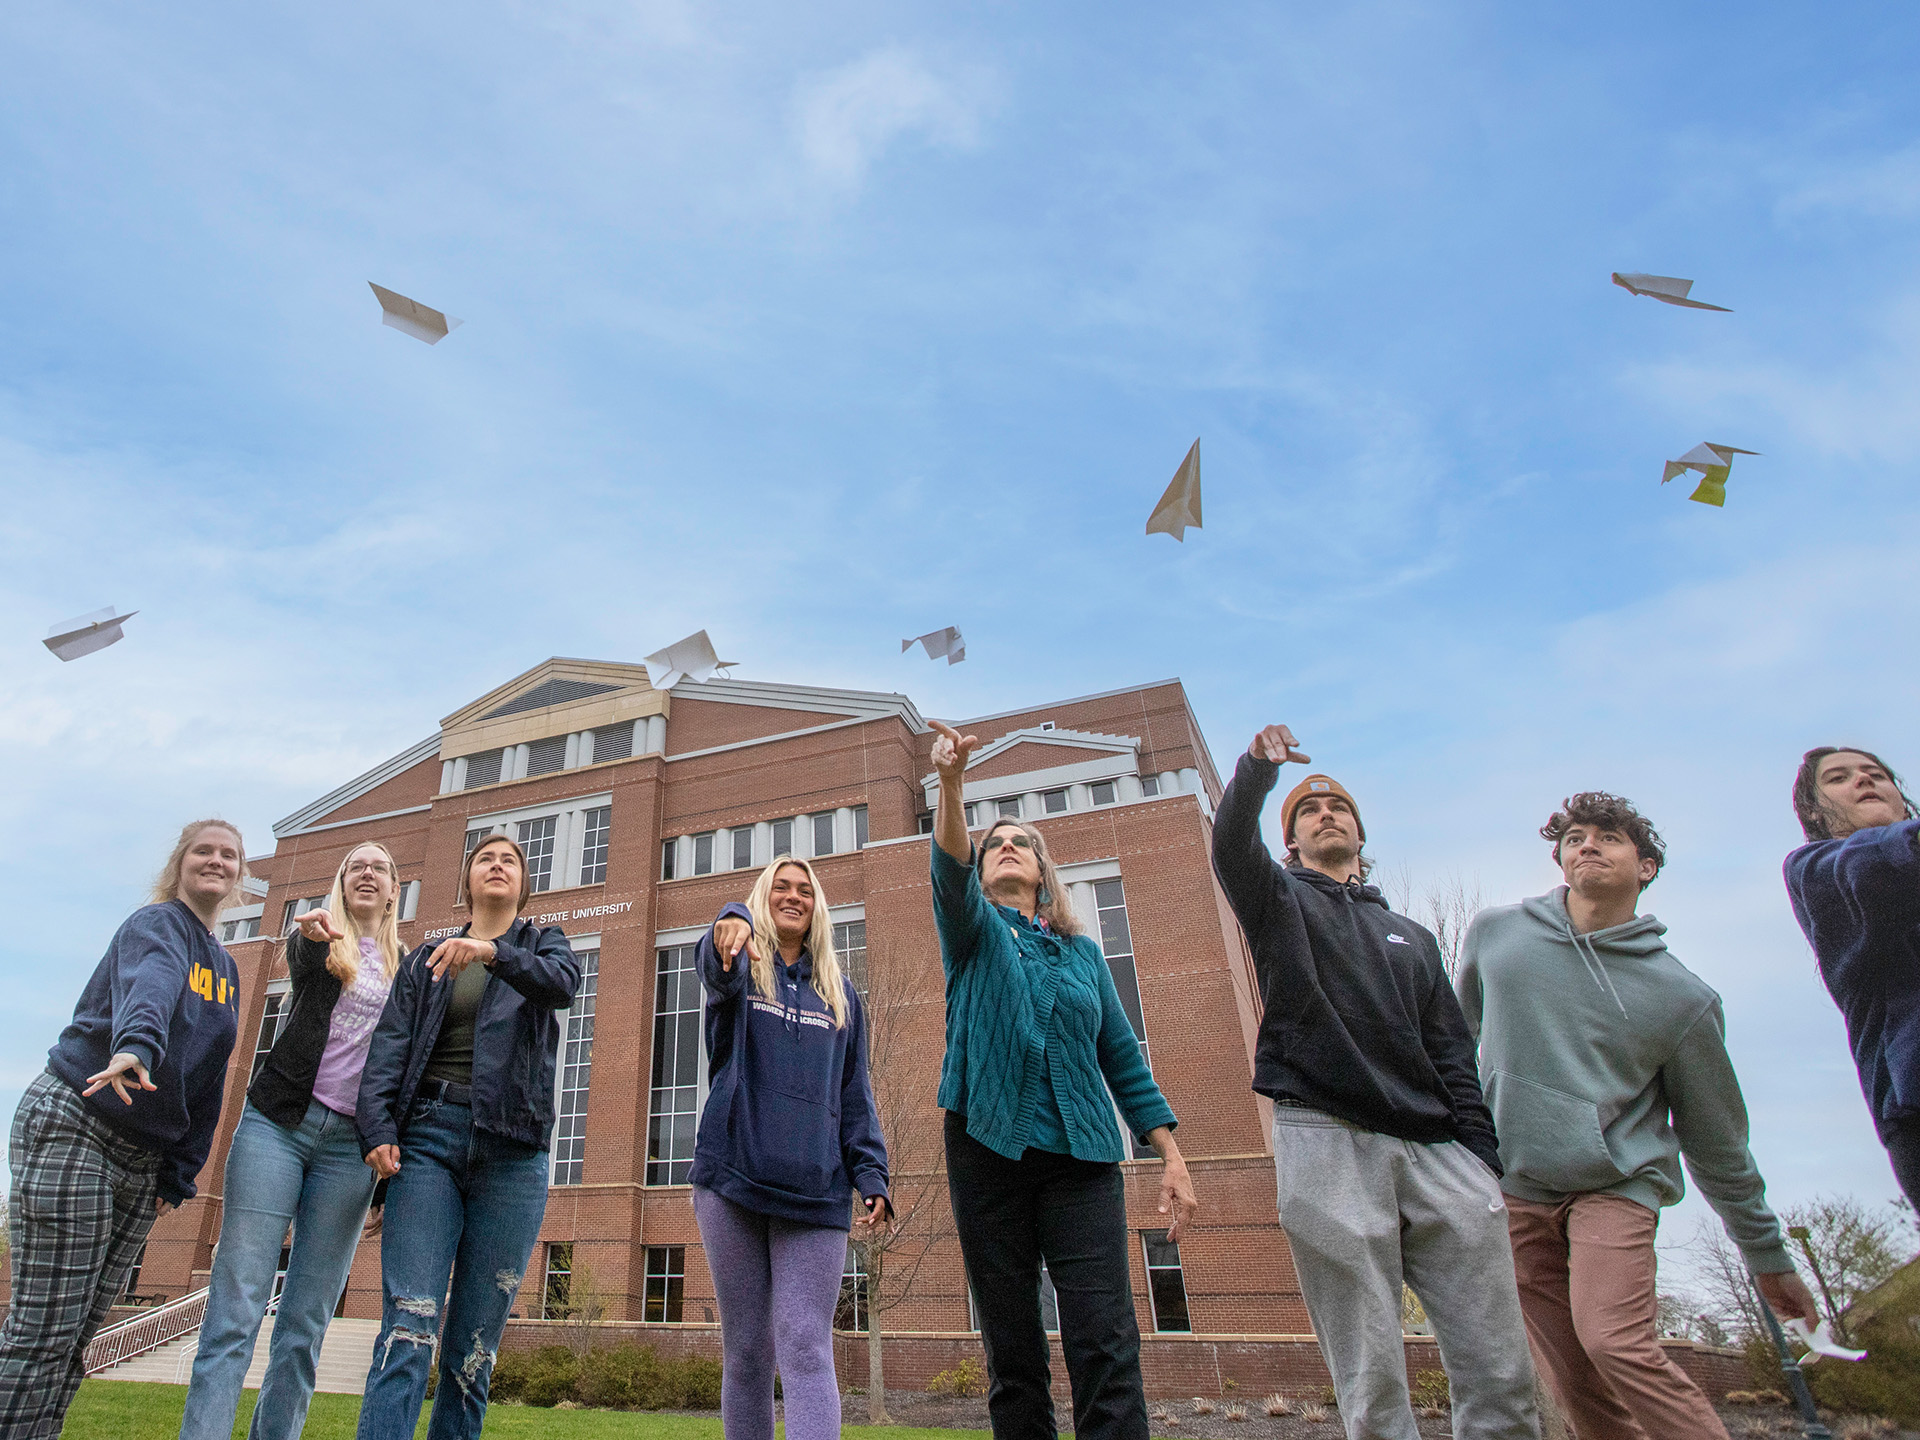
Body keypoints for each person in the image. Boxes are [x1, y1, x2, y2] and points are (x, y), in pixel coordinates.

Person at [1458, 791, 1820, 1440]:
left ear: (1646, 865)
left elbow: (1716, 1142)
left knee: (1613, 1341)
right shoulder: (1497, 935)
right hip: (1514, 1185)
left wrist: (1766, 1253)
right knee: (1573, 1379)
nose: (1587, 845)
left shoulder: (1681, 998)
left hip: (1616, 1184)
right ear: (1558, 858)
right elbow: (1451, 1041)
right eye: (1574, 838)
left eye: (1607, 837)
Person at [1212, 725, 1537, 1440]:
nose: (1327, 814)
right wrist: (1258, 771)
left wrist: (1483, 1165)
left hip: (1439, 1150)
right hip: (1326, 1135)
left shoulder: (1411, 936)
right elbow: (1231, 844)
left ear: (1361, 834)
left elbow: (1452, 1050)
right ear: (1290, 843)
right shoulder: (1278, 902)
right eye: (1309, 812)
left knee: (1503, 1373)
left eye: (1339, 810)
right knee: (1372, 1376)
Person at [928, 719, 1196, 1440]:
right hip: (987, 1149)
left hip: (1082, 1162)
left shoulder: (1083, 956)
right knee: (1013, 1352)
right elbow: (948, 872)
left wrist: (1169, 1154)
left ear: (1043, 874)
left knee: (1104, 1341)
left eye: (1023, 844)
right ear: (984, 873)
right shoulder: (973, 931)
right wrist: (952, 782)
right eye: (996, 845)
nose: (1008, 848)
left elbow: (1123, 1058)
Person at [0, 819, 247, 1439]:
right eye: (204, 850)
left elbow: (210, 1079)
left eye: (229, 854)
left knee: (79, 1335)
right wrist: (136, 1044)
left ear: (241, 874)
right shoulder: (156, 925)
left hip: (142, 1160)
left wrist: (181, 1172)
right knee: (43, 1329)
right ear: (179, 864)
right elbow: (152, 984)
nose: (216, 860)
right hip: (79, 1122)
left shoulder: (225, 967)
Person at [353, 832, 580, 1440]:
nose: (498, 865)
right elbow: (389, 1047)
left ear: (524, 883)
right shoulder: (426, 959)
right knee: (409, 1326)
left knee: (474, 1350)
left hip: (514, 1151)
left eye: (510, 860)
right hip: (429, 1140)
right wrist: (376, 1128)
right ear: (468, 880)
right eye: (485, 858)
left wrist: (489, 953)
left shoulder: (541, 946)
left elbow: (562, 984)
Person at [180, 841, 405, 1440]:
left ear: (392, 890)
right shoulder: (321, 939)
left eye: (378, 867)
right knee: (236, 1309)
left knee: (305, 1323)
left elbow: (403, 1068)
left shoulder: (405, 969)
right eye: (355, 865)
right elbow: (304, 968)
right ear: (341, 881)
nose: (366, 873)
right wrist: (308, 935)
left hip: (349, 1151)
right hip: (279, 1127)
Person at [691, 856, 892, 1440]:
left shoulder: (842, 996)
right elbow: (715, 957)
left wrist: (871, 1174)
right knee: (748, 1351)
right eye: (780, 887)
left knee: (806, 1344)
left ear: (817, 906)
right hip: (733, 1182)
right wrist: (730, 920)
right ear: (763, 897)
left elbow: (856, 1094)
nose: (793, 896)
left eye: (805, 889)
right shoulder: (741, 971)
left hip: (816, 1191)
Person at [1783, 747, 1920, 1208]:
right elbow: (1873, 867)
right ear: (1814, 811)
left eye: (1876, 773)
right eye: (1839, 778)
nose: (1864, 780)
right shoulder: (1816, 870)